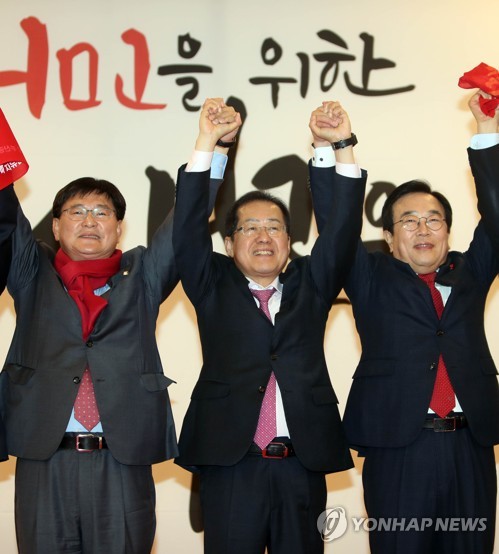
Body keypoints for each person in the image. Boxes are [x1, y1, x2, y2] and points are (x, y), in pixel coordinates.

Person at [0, 103, 238, 554]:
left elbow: (185, 222)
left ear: (119, 228)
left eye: (102, 212)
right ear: (55, 226)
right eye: (77, 211)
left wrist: (210, 146)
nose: (90, 221)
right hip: (45, 459)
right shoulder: (33, 271)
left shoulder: (143, 272)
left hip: (122, 460)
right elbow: (5, 215)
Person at [172, 98, 366, 554]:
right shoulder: (211, 282)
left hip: (301, 464)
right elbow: (186, 227)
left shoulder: (312, 283)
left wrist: (338, 146)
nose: (263, 237)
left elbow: (341, 231)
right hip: (231, 465)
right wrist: (207, 143)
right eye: (250, 228)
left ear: (289, 241)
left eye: (275, 228)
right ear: (228, 243)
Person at [309, 91, 499, 554]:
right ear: (389, 238)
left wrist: (487, 129)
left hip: (470, 446)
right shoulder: (370, 276)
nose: (423, 230)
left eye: (434, 220)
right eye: (409, 221)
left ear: (448, 232)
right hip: (398, 448)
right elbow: (337, 226)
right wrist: (337, 147)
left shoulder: (471, 271)